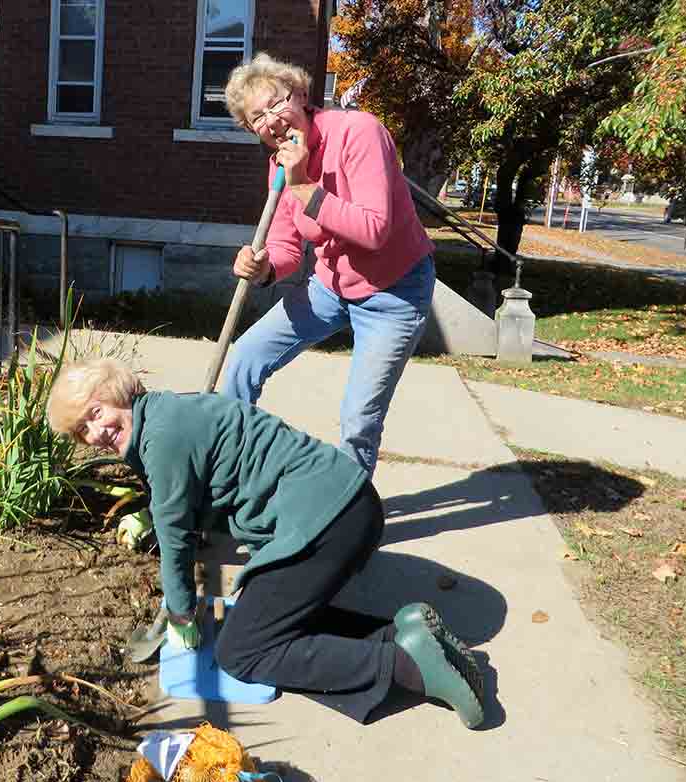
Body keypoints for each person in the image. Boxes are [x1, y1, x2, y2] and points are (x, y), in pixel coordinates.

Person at [46, 358, 485, 728]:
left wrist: (180, 613)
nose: (96, 432)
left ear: (117, 393)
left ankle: (410, 669)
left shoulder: (161, 438)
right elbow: (202, 512)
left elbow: (175, 534)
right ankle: (403, 633)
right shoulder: (167, 414)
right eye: (82, 430)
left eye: (96, 412)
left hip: (327, 520)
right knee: (272, 617)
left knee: (243, 651)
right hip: (346, 504)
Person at [220, 53, 436, 475]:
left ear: (301, 95)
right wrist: (263, 267)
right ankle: (226, 468)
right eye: (257, 118)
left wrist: (302, 186)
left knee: (359, 418)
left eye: (277, 103)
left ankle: (347, 513)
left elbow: (374, 230)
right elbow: (285, 245)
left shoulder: (359, 133)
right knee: (245, 356)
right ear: (252, 131)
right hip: (330, 287)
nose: (272, 120)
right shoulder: (279, 168)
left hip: (394, 292)